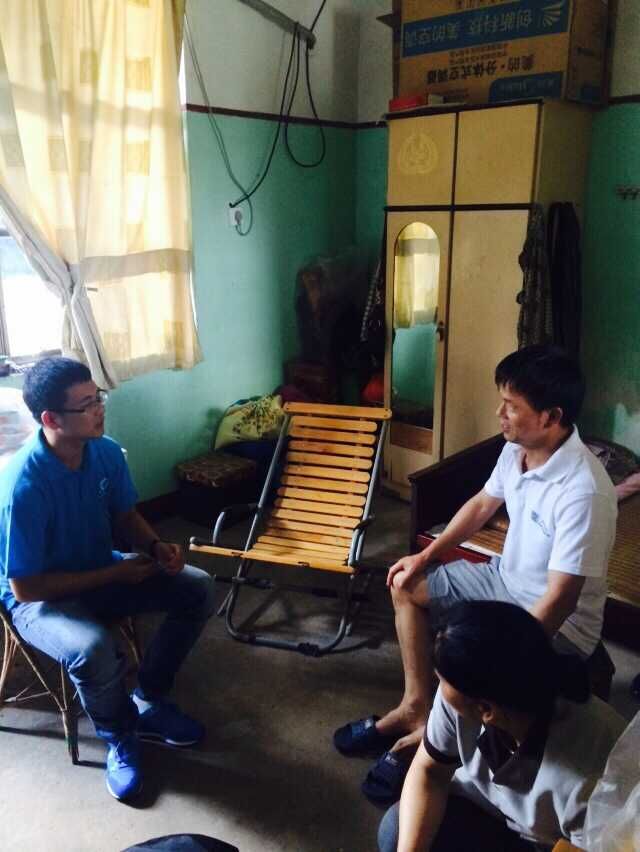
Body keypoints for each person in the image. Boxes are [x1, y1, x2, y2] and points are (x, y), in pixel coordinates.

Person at [334, 345, 618, 804]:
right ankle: (414, 707)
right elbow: (484, 504)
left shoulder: (583, 491)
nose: (499, 414)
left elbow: (561, 599)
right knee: (405, 584)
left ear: (551, 417)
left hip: (558, 623)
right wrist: (425, 556)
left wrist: (496, 656)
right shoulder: (516, 450)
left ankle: (429, 744)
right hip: (502, 580)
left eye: (511, 406)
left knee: (468, 664)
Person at [0, 357, 216, 802]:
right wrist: (114, 572)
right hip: (40, 601)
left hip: (99, 568)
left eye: (98, 397)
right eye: (86, 405)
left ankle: (149, 700)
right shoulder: (24, 487)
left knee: (196, 587)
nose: (100, 409)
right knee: (93, 649)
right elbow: (26, 588)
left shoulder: (105, 452)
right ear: (51, 419)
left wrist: (155, 546)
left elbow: (125, 514)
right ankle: (119, 735)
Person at [377, 600, 626, 852]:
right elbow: (430, 773)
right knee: (395, 831)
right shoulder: (468, 692)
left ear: (486, 710)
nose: (440, 690)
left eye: (442, 681)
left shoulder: (592, 779)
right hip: (492, 809)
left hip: (551, 843)